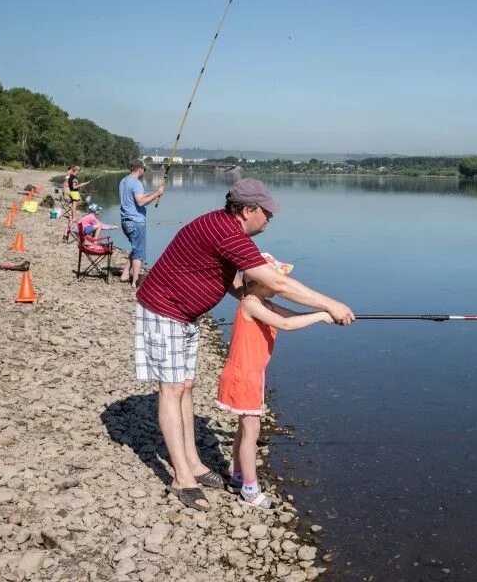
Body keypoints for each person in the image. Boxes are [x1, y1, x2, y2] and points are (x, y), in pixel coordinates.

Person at [134, 177, 354, 511]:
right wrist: (330, 305)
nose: (270, 218)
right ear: (247, 210)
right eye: (266, 213)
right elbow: (277, 283)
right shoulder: (227, 232)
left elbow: (238, 287)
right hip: (165, 308)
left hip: (185, 314)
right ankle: (182, 477)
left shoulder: (226, 229)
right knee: (172, 389)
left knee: (186, 386)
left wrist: (267, 304)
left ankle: (194, 463)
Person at [217, 253, 334, 511]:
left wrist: (325, 313)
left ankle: (238, 475)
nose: (281, 284)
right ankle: (250, 489)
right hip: (245, 376)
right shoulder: (250, 304)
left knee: (244, 430)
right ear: (258, 282)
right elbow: (285, 324)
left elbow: (291, 314)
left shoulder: (264, 304)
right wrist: (320, 316)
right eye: (276, 280)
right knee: (251, 434)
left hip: (250, 374)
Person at [119, 158, 164, 288]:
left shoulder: (124, 181)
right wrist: (157, 193)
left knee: (135, 247)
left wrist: (152, 193)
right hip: (135, 221)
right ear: (139, 169)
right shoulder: (136, 183)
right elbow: (141, 202)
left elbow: (135, 199)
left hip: (125, 221)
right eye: (144, 169)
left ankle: (125, 274)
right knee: (139, 252)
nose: (144, 171)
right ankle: (135, 282)